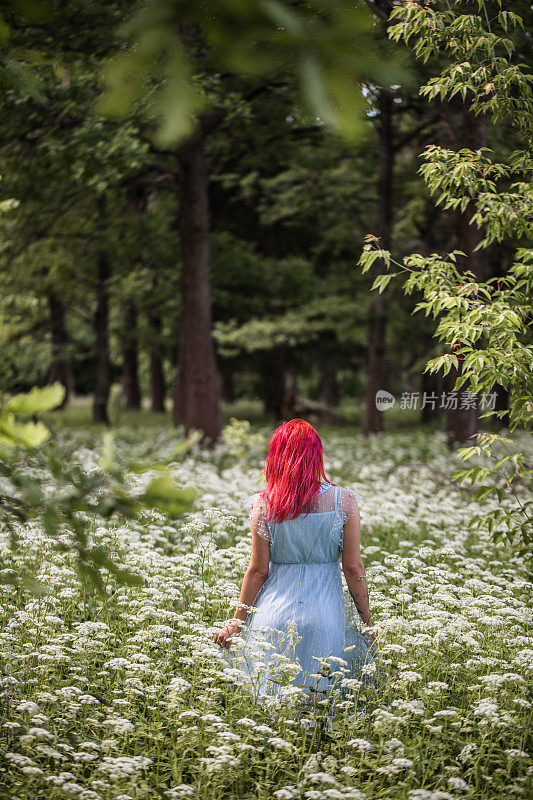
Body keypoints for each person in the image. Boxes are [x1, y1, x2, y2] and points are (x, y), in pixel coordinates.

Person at [213, 418, 377, 712]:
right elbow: (353, 568)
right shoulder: (345, 500)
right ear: (317, 455)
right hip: (325, 616)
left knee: (275, 710)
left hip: (273, 617)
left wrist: (236, 624)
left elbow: (258, 571)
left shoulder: (264, 504)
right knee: (320, 708)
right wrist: (367, 623)